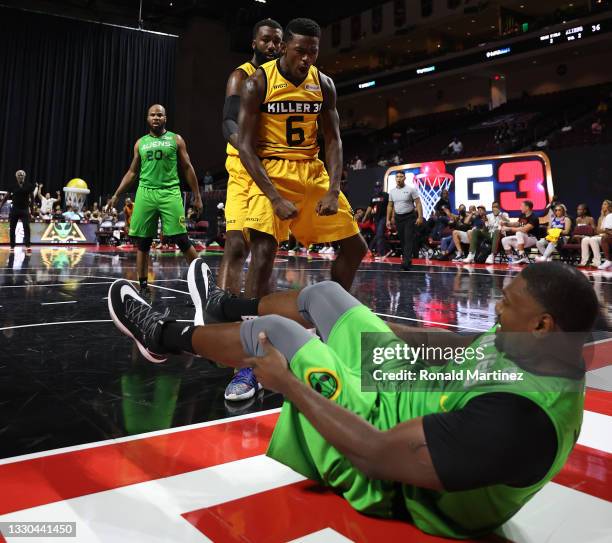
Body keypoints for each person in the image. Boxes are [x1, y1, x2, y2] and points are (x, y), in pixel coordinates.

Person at [108, 258, 600, 539]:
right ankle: (221, 308)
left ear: (542, 325)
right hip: (410, 396)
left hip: (390, 471)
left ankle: (162, 336)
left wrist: (288, 385)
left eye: (507, 302)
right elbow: (453, 347)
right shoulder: (539, 342)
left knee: (278, 335)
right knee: (325, 296)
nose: (497, 306)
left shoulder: (520, 422)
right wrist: (372, 333)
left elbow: (375, 454)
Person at [238, 17, 366, 290]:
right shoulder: (257, 83)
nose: (307, 58)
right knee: (263, 250)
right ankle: (248, 323)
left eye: (313, 52)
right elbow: (245, 146)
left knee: (356, 247)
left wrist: (333, 190)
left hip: (310, 169)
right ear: (284, 47)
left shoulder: (323, 84)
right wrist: (274, 197)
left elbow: (333, 140)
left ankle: (334, 314)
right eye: (300, 51)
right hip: (271, 171)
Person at [107, 104, 203, 295]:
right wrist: (117, 194)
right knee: (142, 243)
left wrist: (197, 196)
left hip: (170, 193)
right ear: (147, 118)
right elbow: (132, 172)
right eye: (153, 115)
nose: (156, 117)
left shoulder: (176, 139)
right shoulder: (140, 143)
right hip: (145, 193)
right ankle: (143, 287)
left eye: (160, 115)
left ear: (165, 118)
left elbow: (187, 168)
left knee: (182, 239)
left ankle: (204, 283)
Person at [219, 18, 283, 299]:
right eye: (266, 39)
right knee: (235, 245)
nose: (272, 45)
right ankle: (220, 311)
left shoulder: (282, 80)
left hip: (268, 168)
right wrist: (246, 150)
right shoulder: (241, 75)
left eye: (277, 41)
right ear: (254, 42)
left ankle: (258, 312)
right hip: (241, 166)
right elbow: (229, 122)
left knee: (264, 246)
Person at [386, 171, 423, 270]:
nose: (399, 178)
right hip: (398, 218)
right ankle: (408, 260)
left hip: (409, 217)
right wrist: (388, 220)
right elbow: (390, 206)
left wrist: (420, 217)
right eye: (397, 177)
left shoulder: (411, 189)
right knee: (402, 240)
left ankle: (405, 262)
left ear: (405, 178)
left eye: (401, 176)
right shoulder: (392, 191)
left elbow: (418, 203)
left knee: (408, 239)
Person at [0, 170, 35, 250]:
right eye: (19, 175)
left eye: (22, 175)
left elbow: (32, 199)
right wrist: (0, 205)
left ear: (24, 176)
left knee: (26, 227)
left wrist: (32, 211)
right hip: (15, 209)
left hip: (25, 209)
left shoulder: (29, 186)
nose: (20, 176)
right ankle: (12, 246)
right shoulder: (12, 186)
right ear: (16, 177)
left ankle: (27, 245)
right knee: (12, 227)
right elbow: (6, 197)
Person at [500, 200, 541, 264]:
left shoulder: (534, 217)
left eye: (521, 206)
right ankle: (511, 259)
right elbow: (517, 224)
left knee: (519, 232)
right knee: (504, 240)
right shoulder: (522, 215)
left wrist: (508, 229)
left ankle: (523, 257)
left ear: (527, 207)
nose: (520, 208)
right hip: (521, 240)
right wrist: (506, 223)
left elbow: (524, 229)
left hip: (532, 239)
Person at [579, 199, 611, 267]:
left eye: (605, 204)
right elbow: (598, 230)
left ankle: (597, 262)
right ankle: (584, 262)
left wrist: (603, 230)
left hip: (607, 236)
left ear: (610, 206)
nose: (603, 206)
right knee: (585, 240)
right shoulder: (601, 218)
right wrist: (603, 230)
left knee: (593, 239)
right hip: (600, 236)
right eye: (602, 204)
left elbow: (607, 230)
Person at [363, 181, 389, 259]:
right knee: (379, 235)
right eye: (376, 187)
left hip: (384, 217)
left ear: (381, 187)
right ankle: (383, 251)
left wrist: (390, 218)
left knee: (380, 233)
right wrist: (365, 217)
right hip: (376, 219)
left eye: (379, 187)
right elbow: (370, 207)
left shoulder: (386, 195)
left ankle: (381, 253)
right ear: (374, 188)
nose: (378, 188)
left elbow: (390, 206)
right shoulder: (373, 197)